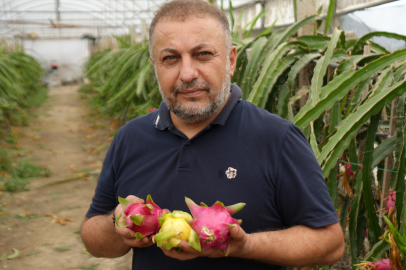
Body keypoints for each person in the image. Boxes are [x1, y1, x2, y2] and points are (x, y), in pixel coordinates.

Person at [80, 0, 345, 269]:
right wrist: (118, 224)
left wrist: (245, 246)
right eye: (170, 58)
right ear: (155, 66)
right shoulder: (130, 138)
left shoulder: (277, 139)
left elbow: (330, 244)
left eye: (203, 54)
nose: (187, 74)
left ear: (230, 61)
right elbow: (92, 238)